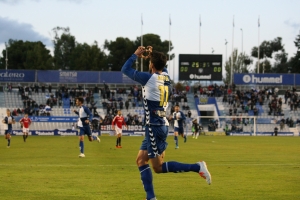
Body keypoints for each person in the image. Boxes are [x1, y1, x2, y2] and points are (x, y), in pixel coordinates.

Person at [121, 46, 211, 200]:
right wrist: (153, 55)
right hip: (160, 124)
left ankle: (197, 167)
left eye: (150, 62)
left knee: (158, 167)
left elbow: (125, 69)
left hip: (154, 126)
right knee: (141, 160)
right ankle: (150, 197)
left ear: (151, 65)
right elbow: (162, 65)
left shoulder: (149, 79)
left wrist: (136, 55)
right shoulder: (167, 76)